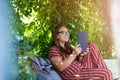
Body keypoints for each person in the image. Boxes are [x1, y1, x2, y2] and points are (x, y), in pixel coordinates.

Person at [48, 24, 113, 80]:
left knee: (91, 46)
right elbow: (60, 67)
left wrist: (81, 55)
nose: (67, 34)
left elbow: (78, 62)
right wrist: (74, 54)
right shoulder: (54, 49)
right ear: (57, 36)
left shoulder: (69, 49)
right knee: (107, 73)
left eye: (67, 32)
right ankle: (106, 76)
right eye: (63, 32)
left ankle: (105, 75)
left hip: (83, 69)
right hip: (74, 75)